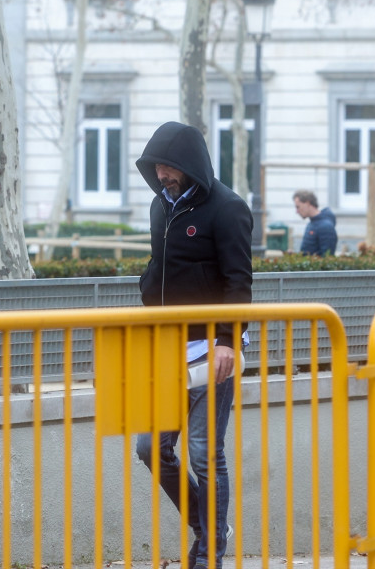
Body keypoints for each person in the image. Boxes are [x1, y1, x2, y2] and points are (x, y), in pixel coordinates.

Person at [134, 121, 253, 569]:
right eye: (156, 166)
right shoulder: (159, 206)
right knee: (150, 447)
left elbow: (239, 281)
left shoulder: (228, 208)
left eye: (168, 166)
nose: (161, 173)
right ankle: (208, 528)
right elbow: (158, 265)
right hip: (167, 348)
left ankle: (208, 558)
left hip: (211, 351)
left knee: (205, 453)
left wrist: (226, 339)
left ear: (189, 164)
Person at [293, 189, 337, 256]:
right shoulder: (310, 224)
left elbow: (327, 258)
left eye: (298, 207)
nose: (297, 211)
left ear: (307, 203)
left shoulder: (326, 227)